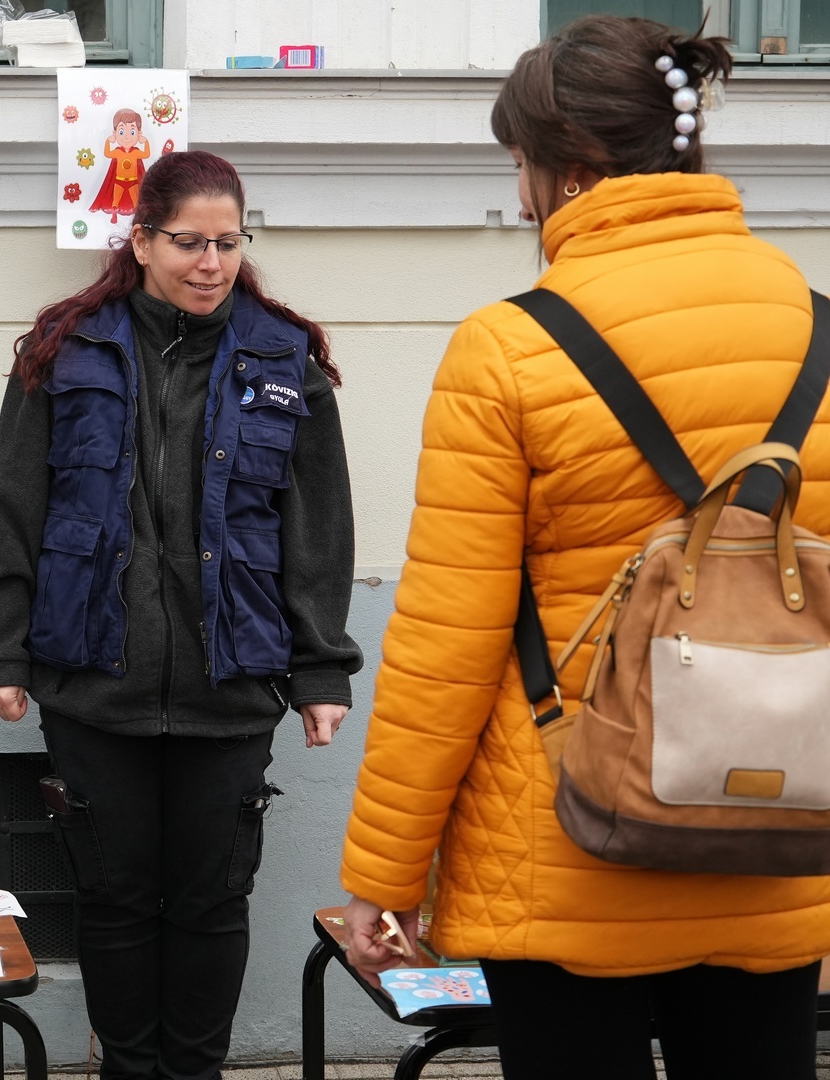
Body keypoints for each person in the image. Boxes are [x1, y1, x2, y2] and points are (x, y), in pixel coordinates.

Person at [339, 16, 830, 1080]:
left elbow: (447, 644)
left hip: (562, 836)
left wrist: (385, 871)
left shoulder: (508, 348)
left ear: (565, 170)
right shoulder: (819, 328)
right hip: (772, 827)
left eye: (519, 167)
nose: (521, 201)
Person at [0, 150, 363, 1080]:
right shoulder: (68, 348)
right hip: (94, 680)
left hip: (234, 683)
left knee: (212, 904)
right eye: (188, 242)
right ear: (141, 241)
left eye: (228, 242)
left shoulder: (282, 359)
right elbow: (15, 504)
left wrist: (321, 669)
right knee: (115, 901)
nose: (210, 263)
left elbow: (317, 526)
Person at [90, 108, 152, 224]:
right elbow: (107, 153)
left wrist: (145, 142)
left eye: (132, 132)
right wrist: (109, 141)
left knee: (136, 202)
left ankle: (137, 217)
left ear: (139, 134)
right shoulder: (118, 152)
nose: (126, 137)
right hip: (119, 181)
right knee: (116, 201)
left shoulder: (136, 152)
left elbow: (146, 154)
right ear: (115, 133)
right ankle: (114, 214)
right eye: (121, 132)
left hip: (133, 181)